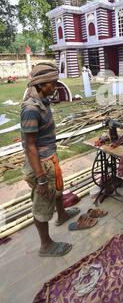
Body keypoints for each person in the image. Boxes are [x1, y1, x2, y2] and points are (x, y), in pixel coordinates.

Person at [20, 63, 80, 257]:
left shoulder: (41, 100)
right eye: (52, 84)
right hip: (41, 164)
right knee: (42, 203)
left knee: (58, 188)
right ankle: (46, 245)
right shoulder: (30, 109)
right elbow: (30, 146)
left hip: (49, 158)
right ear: (40, 84)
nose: (55, 87)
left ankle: (61, 214)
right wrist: (41, 178)